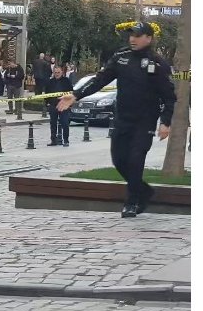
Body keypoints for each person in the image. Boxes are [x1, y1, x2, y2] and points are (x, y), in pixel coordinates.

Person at [56, 21, 177, 218]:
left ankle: (132, 202)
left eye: (137, 36)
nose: (132, 39)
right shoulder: (121, 57)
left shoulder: (158, 63)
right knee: (119, 159)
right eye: (131, 35)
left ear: (148, 38)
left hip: (144, 120)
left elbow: (169, 97)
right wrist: (76, 95)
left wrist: (166, 122)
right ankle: (144, 191)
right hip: (122, 117)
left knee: (136, 160)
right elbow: (100, 79)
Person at [44, 65, 74, 147]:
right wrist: (47, 103)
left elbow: (71, 92)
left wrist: (69, 103)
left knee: (65, 123)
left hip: (63, 105)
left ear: (62, 72)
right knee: (53, 123)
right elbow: (46, 93)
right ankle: (53, 140)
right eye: (55, 72)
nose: (56, 74)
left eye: (58, 72)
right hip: (53, 105)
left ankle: (66, 140)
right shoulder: (50, 81)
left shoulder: (66, 81)